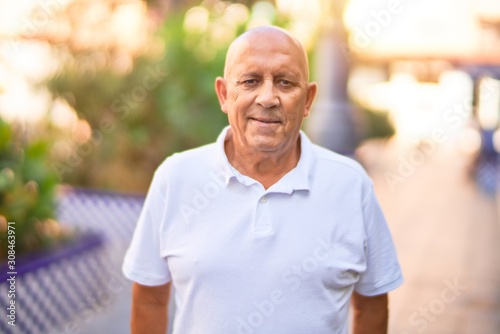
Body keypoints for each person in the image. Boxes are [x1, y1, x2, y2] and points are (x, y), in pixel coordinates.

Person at [122, 25, 403, 334]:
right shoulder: (175, 178)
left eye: (285, 82)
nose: (268, 98)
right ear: (224, 94)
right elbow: (149, 298)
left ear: (308, 100)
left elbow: (372, 302)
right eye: (250, 81)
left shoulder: (351, 186)